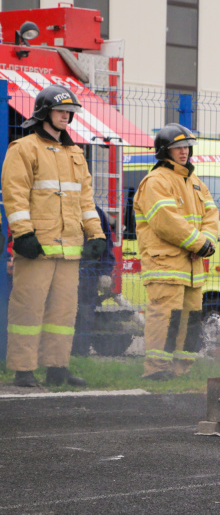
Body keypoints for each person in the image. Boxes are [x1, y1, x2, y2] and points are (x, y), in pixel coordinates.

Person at [2, 84, 107, 387]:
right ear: (44, 112)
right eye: (61, 110)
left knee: (62, 314)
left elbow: (86, 201)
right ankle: (23, 371)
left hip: (70, 250)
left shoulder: (75, 153)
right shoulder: (24, 149)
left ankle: (57, 368)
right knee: (28, 309)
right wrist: (22, 234)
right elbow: (15, 195)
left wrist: (96, 235)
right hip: (36, 249)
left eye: (70, 112)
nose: (66, 115)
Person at [132, 124, 219, 380]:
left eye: (187, 147)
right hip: (165, 265)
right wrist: (198, 243)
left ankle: (182, 371)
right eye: (177, 148)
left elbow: (211, 215)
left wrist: (207, 242)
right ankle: (157, 371)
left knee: (190, 321)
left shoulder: (194, 182)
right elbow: (165, 220)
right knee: (165, 318)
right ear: (164, 151)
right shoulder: (155, 181)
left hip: (192, 267)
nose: (184, 152)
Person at [73, 205, 117, 356]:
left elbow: (105, 241)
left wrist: (105, 271)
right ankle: (59, 355)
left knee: (84, 314)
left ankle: (80, 353)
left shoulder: (94, 211)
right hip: (65, 270)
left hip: (87, 274)